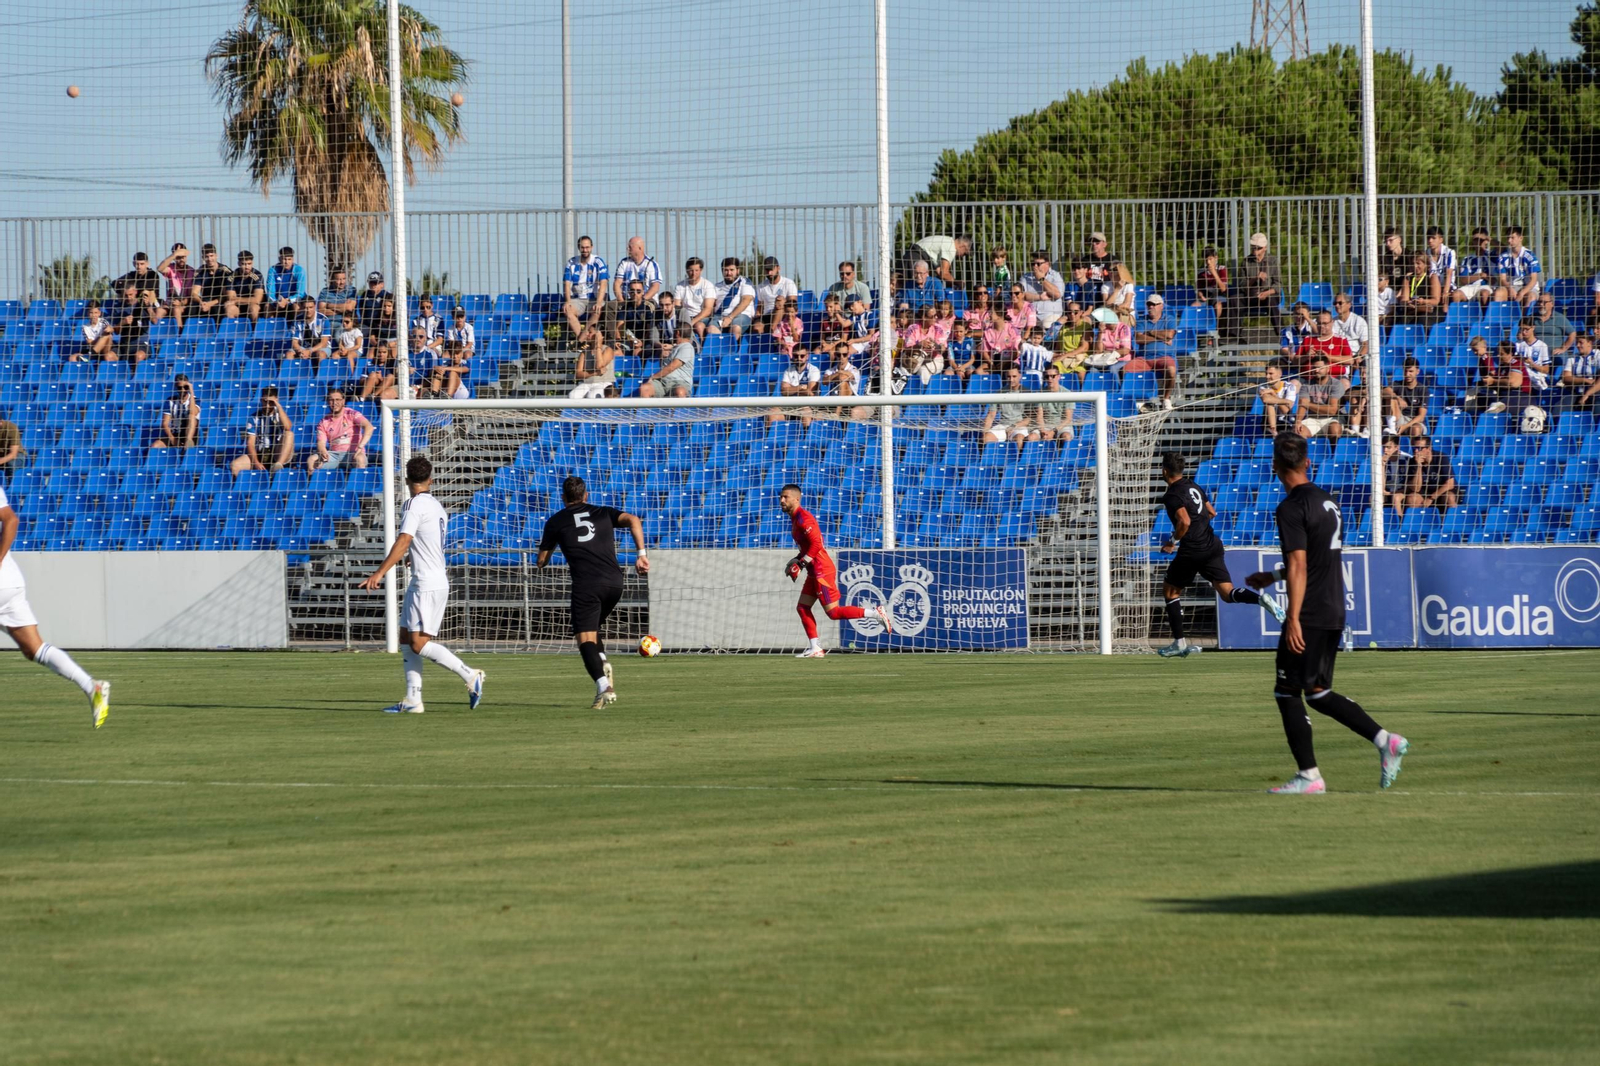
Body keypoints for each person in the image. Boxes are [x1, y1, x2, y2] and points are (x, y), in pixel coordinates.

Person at [1245, 433, 1410, 794]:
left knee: (1287, 691)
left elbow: (1302, 566)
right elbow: (1316, 558)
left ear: (1275, 467)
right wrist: (1272, 576)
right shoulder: (1327, 501)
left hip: (1311, 611)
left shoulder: (1289, 508)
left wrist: (1292, 618)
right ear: (1306, 462)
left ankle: (1309, 776)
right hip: (1334, 607)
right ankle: (1386, 741)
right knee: (1318, 692)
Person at [359, 456, 486, 714]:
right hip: (428, 578)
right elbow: (424, 541)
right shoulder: (437, 506)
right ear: (431, 480)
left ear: (406, 480)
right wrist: (411, 557)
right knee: (406, 637)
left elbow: (405, 539)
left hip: (427, 583)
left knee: (418, 643)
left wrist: (379, 573)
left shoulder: (413, 504)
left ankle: (470, 674)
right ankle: (413, 699)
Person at [0, 485, 112, 727]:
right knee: (35, 650)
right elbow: (10, 519)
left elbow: (11, 520)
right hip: (9, 583)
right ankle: (92, 686)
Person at [1155, 451, 1285, 659]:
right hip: (1212, 545)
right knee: (1227, 593)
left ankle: (1179, 644)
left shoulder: (1171, 495)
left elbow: (1185, 521)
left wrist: (1172, 542)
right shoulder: (1193, 486)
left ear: (1164, 471)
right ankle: (1262, 600)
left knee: (1171, 592)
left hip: (1193, 548)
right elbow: (1212, 512)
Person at [536, 475, 648, 709]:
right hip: (615, 583)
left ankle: (603, 685)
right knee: (593, 630)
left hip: (587, 585)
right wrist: (641, 555)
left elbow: (541, 561)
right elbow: (634, 520)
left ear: (563, 498)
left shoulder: (556, 521)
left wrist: (554, 542)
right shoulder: (604, 512)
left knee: (584, 638)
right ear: (586, 495)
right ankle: (603, 661)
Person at [781, 483, 890, 658]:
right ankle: (815, 648)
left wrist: (801, 564)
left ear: (796, 498)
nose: (782, 500)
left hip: (821, 570)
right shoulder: (795, 519)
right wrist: (797, 559)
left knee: (833, 612)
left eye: (785, 497)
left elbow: (817, 544)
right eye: (781, 497)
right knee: (802, 607)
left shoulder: (804, 518)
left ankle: (875, 614)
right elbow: (808, 546)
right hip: (813, 569)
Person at [1222, 232, 1283, 339]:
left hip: (1267, 294)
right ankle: (1233, 335)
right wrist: (1255, 278)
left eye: (1258, 248)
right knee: (1234, 299)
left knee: (1272, 300)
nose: (1255, 250)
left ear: (1264, 248)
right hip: (1250, 294)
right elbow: (1242, 284)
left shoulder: (1273, 261)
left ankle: (1281, 333)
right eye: (1253, 247)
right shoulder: (1246, 261)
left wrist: (1266, 293)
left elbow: (1278, 284)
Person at [230, 385, 295, 476]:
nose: (268, 405)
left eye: (271, 402)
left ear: (276, 400)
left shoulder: (280, 415)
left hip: (277, 453)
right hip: (260, 453)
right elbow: (250, 443)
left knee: (289, 434)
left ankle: (278, 466)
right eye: (265, 402)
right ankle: (250, 486)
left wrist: (278, 406)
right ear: (261, 400)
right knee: (235, 465)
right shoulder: (254, 418)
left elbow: (288, 427)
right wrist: (256, 462)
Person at [308, 388, 372, 472]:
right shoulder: (324, 421)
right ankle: (314, 483)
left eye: (337, 399)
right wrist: (323, 452)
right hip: (334, 455)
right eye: (331, 400)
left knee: (360, 459)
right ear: (328, 402)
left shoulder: (352, 414)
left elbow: (369, 427)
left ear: (343, 401)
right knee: (312, 460)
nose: (335, 403)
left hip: (353, 453)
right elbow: (321, 443)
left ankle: (358, 484)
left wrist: (360, 446)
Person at [563, 235, 608, 339]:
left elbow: (604, 283)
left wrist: (598, 302)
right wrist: (568, 302)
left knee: (598, 310)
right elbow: (566, 284)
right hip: (578, 299)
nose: (585, 250)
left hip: (594, 299)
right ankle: (584, 341)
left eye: (587, 247)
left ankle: (581, 340)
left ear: (591, 247)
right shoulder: (571, 263)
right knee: (567, 310)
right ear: (579, 248)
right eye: (582, 247)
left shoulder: (598, 262)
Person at [1294, 355, 1347, 440]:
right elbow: (1302, 406)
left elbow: (1332, 410)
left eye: (1320, 368)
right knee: (1299, 431)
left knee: (1334, 429)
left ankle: (1334, 453)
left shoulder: (1336, 384)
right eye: (1314, 368)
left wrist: (1308, 404)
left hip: (1333, 419)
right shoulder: (1306, 385)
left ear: (1328, 369)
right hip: (1313, 419)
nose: (1316, 371)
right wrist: (1298, 421)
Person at [769, 346, 821, 429]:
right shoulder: (788, 370)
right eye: (796, 356)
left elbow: (810, 393)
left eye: (802, 356)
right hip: (790, 404)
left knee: (805, 413)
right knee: (773, 412)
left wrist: (791, 389)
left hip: (807, 404)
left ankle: (805, 439)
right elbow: (784, 392)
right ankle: (771, 439)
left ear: (807, 356)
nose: (799, 358)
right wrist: (800, 388)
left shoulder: (813, 370)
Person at [639, 325, 695, 398]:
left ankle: (678, 409)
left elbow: (672, 367)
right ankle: (645, 409)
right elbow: (663, 365)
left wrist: (653, 377)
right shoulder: (673, 347)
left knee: (680, 392)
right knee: (645, 389)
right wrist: (662, 356)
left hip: (679, 383)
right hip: (662, 382)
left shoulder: (687, 347)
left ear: (677, 333)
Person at [1404, 435, 1458, 512]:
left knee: (1449, 497)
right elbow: (1416, 488)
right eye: (1414, 448)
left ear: (1428, 449)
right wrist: (1419, 466)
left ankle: (1452, 522)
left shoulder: (1441, 458)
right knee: (1412, 499)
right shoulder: (1412, 461)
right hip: (1424, 492)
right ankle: (1417, 522)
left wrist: (1431, 498)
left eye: (1419, 448)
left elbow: (1450, 483)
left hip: (1441, 491)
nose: (1416, 451)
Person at [981, 366, 1032, 444]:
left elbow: (1029, 418)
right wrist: (985, 432)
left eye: (1014, 376)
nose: (1011, 380)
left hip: (1019, 425)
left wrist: (1014, 426)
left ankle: (1017, 456)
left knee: (1019, 439)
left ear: (1020, 376)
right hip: (1003, 425)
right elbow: (991, 415)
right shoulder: (1000, 393)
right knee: (987, 438)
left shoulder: (1027, 393)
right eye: (1009, 376)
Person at [707, 257, 755, 340]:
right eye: (726, 270)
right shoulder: (716, 286)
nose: (728, 273)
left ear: (737, 270)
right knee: (710, 329)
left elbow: (746, 300)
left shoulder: (745, 282)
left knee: (735, 328)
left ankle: (731, 351)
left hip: (740, 316)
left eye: (731, 270)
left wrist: (730, 317)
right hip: (720, 316)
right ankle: (720, 350)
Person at [1494, 226, 1542, 308]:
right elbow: (1502, 279)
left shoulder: (1529, 256)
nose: (1509, 240)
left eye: (1512, 237)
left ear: (1520, 238)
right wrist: (1509, 288)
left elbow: (1533, 279)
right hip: (1511, 287)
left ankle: (1525, 320)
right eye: (1508, 238)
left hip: (1528, 288)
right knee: (1499, 293)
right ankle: (1500, 319)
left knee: (1531, 297)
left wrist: (1522, 292)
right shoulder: (1503, 257)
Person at [151, 373, 200, 451]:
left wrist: (191, 391)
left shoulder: (195, 400)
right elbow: (165, 423)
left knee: (191, 416)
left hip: (191, 434)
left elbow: (193, 412)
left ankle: (188, 442)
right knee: (155, 446)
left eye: (185, 387)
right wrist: (173, 439)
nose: (183, 390)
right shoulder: (170, 401)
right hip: (175, 433)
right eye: (180, 388)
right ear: (176, 387)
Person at [674, 257, 718, 338]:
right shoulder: (680, 286)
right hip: (685, 316)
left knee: (699, 327)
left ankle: (701, 348)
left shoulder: (707, 285)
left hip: (701, 316)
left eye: (696, 270)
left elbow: (708, 309)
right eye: (691, 270)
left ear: (701, 270)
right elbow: (677, 306)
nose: (693, 273)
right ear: (687, 270)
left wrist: (693, 321)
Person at [155, 242, 195, 329]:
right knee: (159, 311)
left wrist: (181, 302)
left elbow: (192, 295)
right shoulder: (171, 268)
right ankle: (156, 335)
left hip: (185, 303)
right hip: (170, 302)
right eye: (178, 257)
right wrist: (174, 254)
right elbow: (160, 268)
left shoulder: (192, 272)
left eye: (183, 257)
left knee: (176, 310)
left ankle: (179, 334)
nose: (181, 260)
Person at [1453, 227, 1497, 307]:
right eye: (1475, 240)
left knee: (1484, 294)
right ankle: (1460, 318)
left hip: (1486, 287)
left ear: (1486, 240)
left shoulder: (1492, 256)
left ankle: (1484, 318)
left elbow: (1503, 248)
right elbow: (1463, 280)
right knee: (1456, 295)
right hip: (1470, 287)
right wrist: (1480, 275)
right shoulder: (1467, 259)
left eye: (1480, 240)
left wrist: (1490, 239)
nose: (1478, 242)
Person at [753, 256, 798, 331]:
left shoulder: (788, 283)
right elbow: (760, 306)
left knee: (779, 303)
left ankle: (773, 329)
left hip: (783, 314)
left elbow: (793, 304)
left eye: (771, 269)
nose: (769, 272)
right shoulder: (761, 286)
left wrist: (784, 302)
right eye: (767, 270)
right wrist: (757, 315)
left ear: (778, 268)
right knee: (757, 327)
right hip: (766, 315)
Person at [1032, 367, 1076, 441]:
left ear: (1059, 376)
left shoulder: (1067, 393)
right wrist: (1043, 431)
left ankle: (1062, 452)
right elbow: (1039, 416)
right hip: (1045, 425)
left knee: (1066, 437)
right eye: (1047, 376)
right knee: (1032, 437)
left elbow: (1068, 419)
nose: (1049, 379)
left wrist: (1053, 431)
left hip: (1062, 426)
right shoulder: (1039, 393)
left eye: (1053, 376)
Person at [1258, 358, 1299, 437]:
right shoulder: (1262, 387)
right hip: (1267, 422)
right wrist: (1286, 401)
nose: (1267, 376)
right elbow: (1266, 399)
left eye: (1271, 373)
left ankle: (1274, 431)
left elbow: (1286, 410)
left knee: (1271, 402)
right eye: (1266, 373)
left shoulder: (1289, 386)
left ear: (1279, 374)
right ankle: (1273, 430)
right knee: (1269, 404)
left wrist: (1273, 394)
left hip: (1286, 421)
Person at [569, 332, 616, 400]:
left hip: (603, 382)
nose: (587, 334)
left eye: (591, 332)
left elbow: (599, 366)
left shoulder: (608, 350)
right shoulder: (584, 352)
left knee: (593, 396)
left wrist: (598, 346)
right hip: (587, 383)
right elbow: (578, 374)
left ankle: (595, 411)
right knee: (572, 396)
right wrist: (595, 373)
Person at [191, 243, 232, 319]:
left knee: (217, 310)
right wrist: (201, 302)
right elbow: (194, 293)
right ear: (203, 257)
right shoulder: (200, 272)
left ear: (216, 256)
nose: (209, 259)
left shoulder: (225, 272)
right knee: (191, 309)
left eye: (211, 256)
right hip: (204, 301)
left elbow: (226, 295)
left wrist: (210, 304)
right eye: (207, 257)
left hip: (219, 301)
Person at [266, 246, 307, 318]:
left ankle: (296, 327)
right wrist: (277, 302)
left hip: (293, 301)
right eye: (284, 259)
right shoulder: (273, 270)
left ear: (293, 259)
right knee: (267, 307)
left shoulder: (299, 270)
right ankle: (270, 328)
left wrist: (287, 300)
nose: (287, 262)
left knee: (296, 307)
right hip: (278, 301)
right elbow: (270, 293)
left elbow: (300, 294)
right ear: (279, 259)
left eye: (289, 259)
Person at [288, 297, 330, 364]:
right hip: (302, 348)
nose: (308, 310)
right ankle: (290, 374)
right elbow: (294, 342)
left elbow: (324, 343)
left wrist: (309, 351)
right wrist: (301, 350)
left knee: (321, 354)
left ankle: (321, 374)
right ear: (301, 307)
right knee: (289, 354)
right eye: (305, 308)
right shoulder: (297, 320)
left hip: (320, 348)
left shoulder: (323, 319)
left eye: (311, 307)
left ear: (315, 306)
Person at [228, 250, 266, 322]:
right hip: (238, 307)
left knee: (254, 308)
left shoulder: (257, 276)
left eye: (249, 264)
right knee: (229, 308)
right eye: (244, 264)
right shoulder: (231, 277)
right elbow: (231, 298)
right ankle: (233, 331)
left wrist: (237, 299)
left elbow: (257, 300)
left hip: (254, 306)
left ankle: (255, 331)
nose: (247, 267)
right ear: (239, 263)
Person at [1380, 434, 1412, 517]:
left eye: (1388, 447)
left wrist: (1396, 492)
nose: (1385, 450)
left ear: (1397, 447)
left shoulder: (1408, 459)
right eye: (1384, 447)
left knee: (1396, 498)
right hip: (1387, 491)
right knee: (1373, 498)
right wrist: (1382, 466)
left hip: (1404, 491)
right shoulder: (1380, 460)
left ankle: (1399, 522)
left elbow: (1411, 483)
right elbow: (1380, 486)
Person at [1195, 246, 1228, 315]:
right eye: (1206, 260)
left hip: (1219, 297)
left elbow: (1223, 289)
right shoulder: (1201, 272)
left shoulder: (1222, 269)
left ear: (1216, 258)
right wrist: (1201, 295)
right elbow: (1199, 290)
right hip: (1206, 298)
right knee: (1194, 306)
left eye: (1210, 259)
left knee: (1218, 306)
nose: (1208, 262)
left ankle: (1215, 325)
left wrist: (1214, 273)